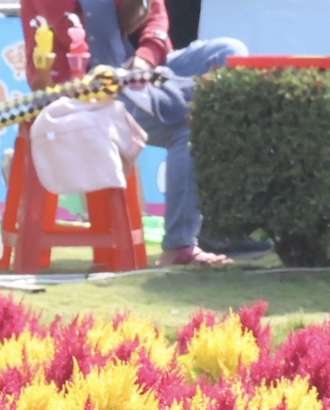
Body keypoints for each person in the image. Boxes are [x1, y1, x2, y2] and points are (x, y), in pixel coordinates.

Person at [74, 0, 246, 266]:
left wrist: (144, 58)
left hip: (138, 70)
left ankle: (223, 223)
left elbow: (156, 13)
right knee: (190, 129)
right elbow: (62, 49)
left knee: (229, 51)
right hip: (96, 88)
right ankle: (180, 245)